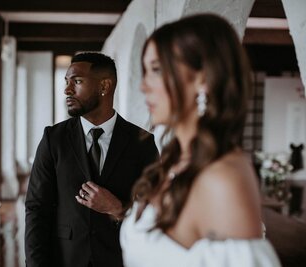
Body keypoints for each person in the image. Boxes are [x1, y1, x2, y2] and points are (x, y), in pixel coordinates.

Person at [120, 14, 281, 267]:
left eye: (157, 70)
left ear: (202, 78)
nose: (143, 86)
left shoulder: (222, 178)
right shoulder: (174, 161)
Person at [25, 52, 159, 267]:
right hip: (65, 260)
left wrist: (117, 209)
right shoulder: (53, 139)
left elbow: (156, 212)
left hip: (121, 260)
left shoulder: (142, 143)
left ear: (104, 86)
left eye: (77, 81)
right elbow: (37, 209)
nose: (67, 90)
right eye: (66, 81)